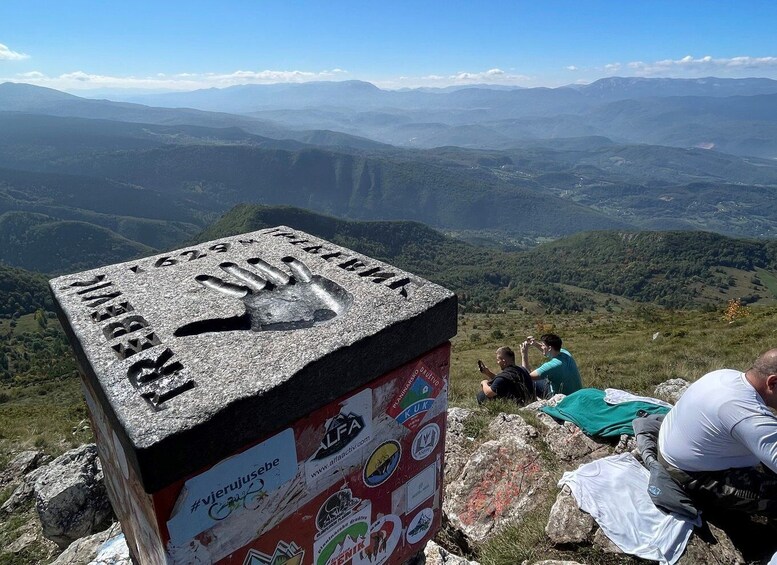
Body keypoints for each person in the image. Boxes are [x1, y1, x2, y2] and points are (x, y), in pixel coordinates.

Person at [657, 348, 777, 515]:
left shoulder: (726, 375)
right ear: (772, 382)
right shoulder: (746, 415)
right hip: (689, 473)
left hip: (670, 446)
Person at [519, 333, 582, 398]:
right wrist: (535, 344)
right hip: (577, 395)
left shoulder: (552, 366)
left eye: (543, 345)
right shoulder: (566, 353)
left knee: (529, 381)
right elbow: (548, 351)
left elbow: (527, 376)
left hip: (563, 398)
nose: (542, 346)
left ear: (549, 348)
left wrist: (524, 354)